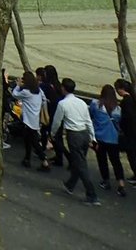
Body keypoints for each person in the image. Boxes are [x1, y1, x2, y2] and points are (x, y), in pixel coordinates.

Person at [50, 77, 100, 205]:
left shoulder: (63, 104)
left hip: (74, 135)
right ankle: (70, 184)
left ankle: (91, 195)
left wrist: (52, 133)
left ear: (63, 88)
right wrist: (92, 137)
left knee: (81, 165)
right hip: (84, 134)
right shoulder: (82, 103)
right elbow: (88, 120)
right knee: (79, 161)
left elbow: (57, 121)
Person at [89, 84, 126, 196]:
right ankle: (121, 184)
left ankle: (106, 181)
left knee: (102, 160)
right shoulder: (117, 109)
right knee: (116, 162)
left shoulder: (96, 104)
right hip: (113, 139)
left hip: (99, 138)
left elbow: (91, 116)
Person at [12, 71, 50, 171]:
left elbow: (15, 94)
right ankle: (27, 159)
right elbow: (44, 99)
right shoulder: (38, 90)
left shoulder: (26, 92)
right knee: (28, 140)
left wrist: (18, 85)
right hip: (35, 119)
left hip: (27, 121)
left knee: (33, 142)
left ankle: (44, 160)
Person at [41, 63, 64, 165]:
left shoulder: (48, 86)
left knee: (54, 137)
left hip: (52, 114)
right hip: (59, 113)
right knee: (56, 137)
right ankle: (59, 157)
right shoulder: (58, 85)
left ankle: (66, 157)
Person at [114, 79, 136, 183]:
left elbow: (127, 117)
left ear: (121, 89)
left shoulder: (126, 101)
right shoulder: (132, 98)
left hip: (129, 133)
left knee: (131, 155)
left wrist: (121, 126)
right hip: (133, 132)